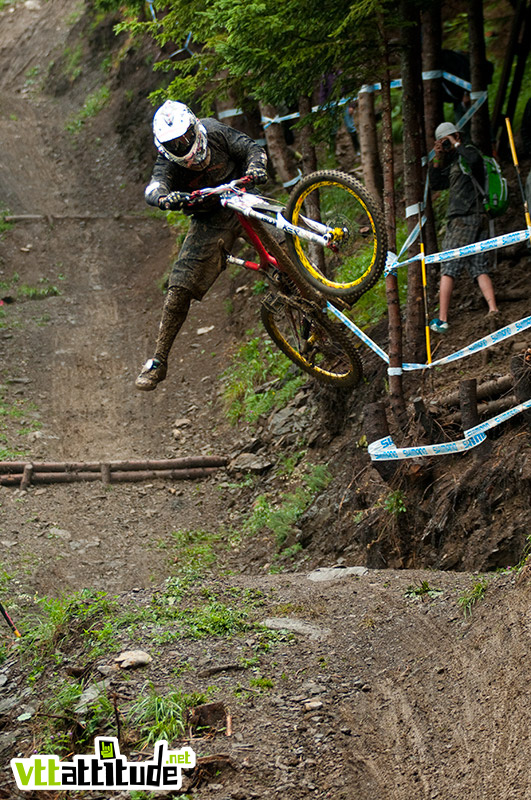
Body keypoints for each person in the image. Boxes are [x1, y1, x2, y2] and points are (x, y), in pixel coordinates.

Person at [135, 100, 268, 390]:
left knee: (289, 241)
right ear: (165, 147)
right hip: (209, 219)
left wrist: (256, 167)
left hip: (246, 198)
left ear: (195, 127)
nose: (185, 145)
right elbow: (154, 186)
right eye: (177, 144)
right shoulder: (167, 163)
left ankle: (319, 287)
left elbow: (249, 147)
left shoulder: (214, 130)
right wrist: (164, 198)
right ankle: (159, 360)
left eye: (186, 137)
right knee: (179, 287)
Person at [428, 121, 499, 333]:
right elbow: (436, 184)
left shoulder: (468, 152)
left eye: (449, 139)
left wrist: (456, 144)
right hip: (472, 218)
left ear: (458, 135)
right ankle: (493, 309)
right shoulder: (451, 161)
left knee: (448, 265)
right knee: (478, 266)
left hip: (465, 218)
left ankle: (442, 319)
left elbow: (475, 160)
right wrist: (438, 158)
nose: (447, 144)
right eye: (443, 141)